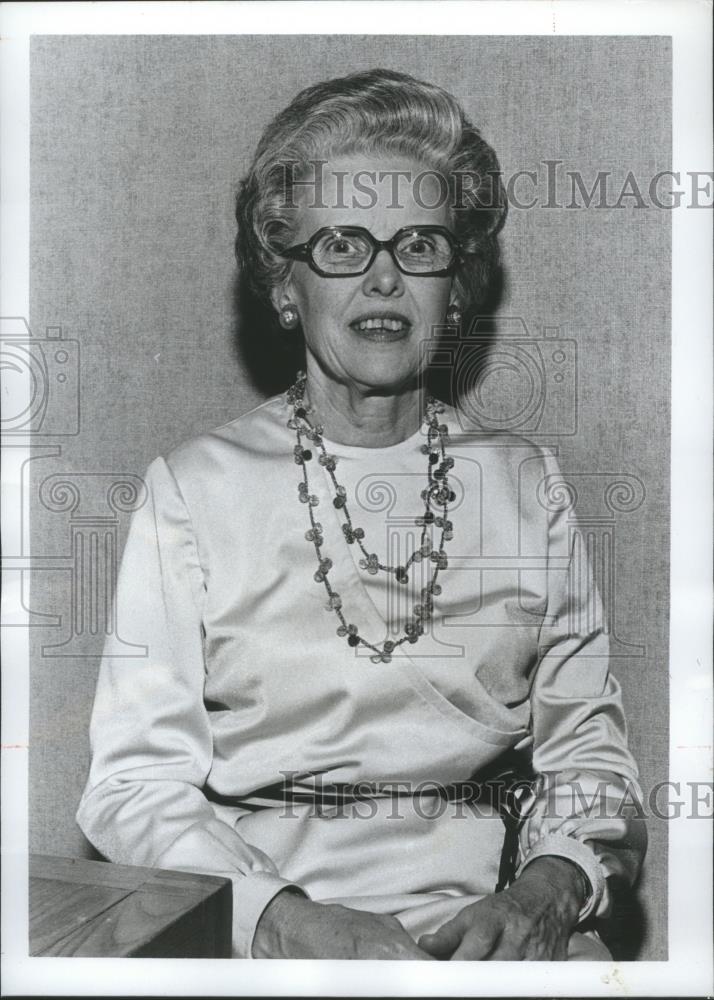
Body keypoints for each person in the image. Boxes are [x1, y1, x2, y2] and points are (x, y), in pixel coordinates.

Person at [77, 69, 646, 961]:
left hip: (484, 934)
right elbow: (134, 786)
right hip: (254, 927)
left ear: (455, 286)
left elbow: (589, 759)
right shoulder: (191, 490)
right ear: (283, 284)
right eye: (343, 246)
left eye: (418, 246)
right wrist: (285, 922)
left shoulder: (527, 487)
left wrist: (549, 886)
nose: (384, 279)